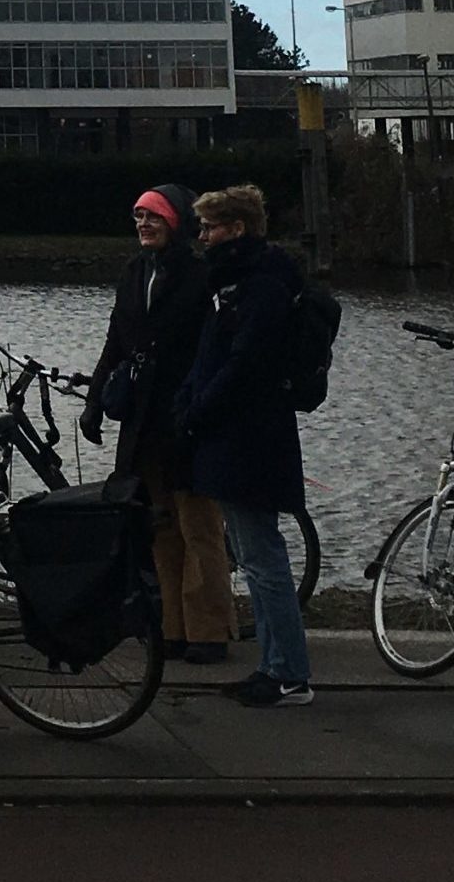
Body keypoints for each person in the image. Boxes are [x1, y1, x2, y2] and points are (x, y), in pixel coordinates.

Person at [175, 184, 313, 708]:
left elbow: (244, 362)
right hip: (236, 434)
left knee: (262, 557)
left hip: (250, 437)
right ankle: (275, 667)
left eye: (209, 227)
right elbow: (215, 356)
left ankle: (290, 673)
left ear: (235, 229)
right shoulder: (234, 282)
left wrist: (199, 406)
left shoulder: (259, 286)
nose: (202, 237)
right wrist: (193, 400)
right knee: (256, 556)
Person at [83, 184, 232, 664]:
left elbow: (214, 348)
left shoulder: (200, 275)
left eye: (154, 217)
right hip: (144, 421)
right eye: (138, 217)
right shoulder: (134, 272)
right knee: (160, 525)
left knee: (199, 525)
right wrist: (94, 400)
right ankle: (172, 626)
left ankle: (209, 630)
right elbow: (116, 340)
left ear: (177, 223)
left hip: (186, 416)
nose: (144, 224)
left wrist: (198, 405)